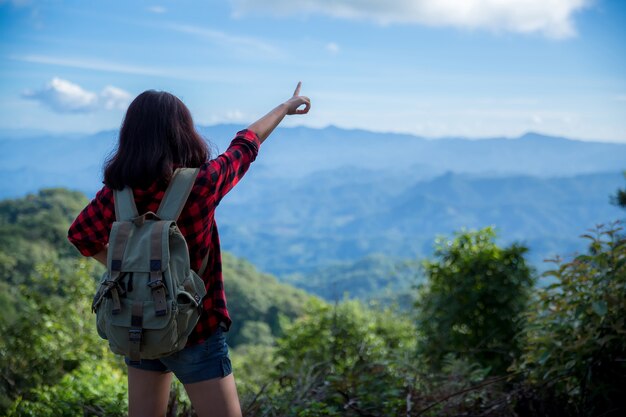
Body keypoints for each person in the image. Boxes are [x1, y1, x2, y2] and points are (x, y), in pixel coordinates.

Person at [67, 83, 311, 417]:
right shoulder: (203, 184)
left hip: (139, 324)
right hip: (196, 327)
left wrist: (129, 271)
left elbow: (81, 236)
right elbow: (246, 144)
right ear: (183, 133)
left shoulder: (117, 194)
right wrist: (284, 107)